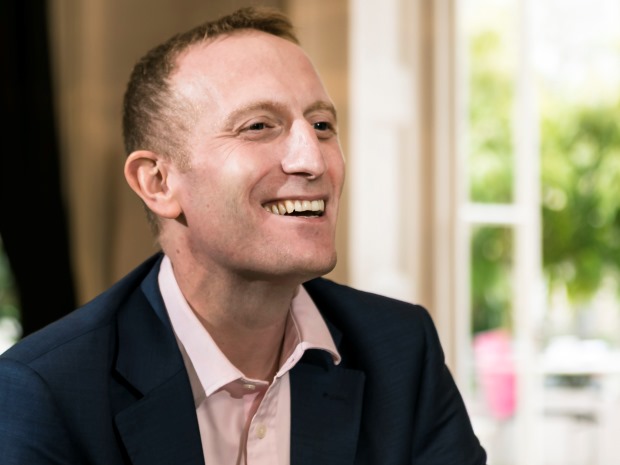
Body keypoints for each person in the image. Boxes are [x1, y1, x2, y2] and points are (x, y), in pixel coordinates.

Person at [0, 6, 487, 465]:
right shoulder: (45, 391)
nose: (313, 160)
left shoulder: (401, 350)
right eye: (258, 126)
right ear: (159, 183)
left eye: (322, 125)